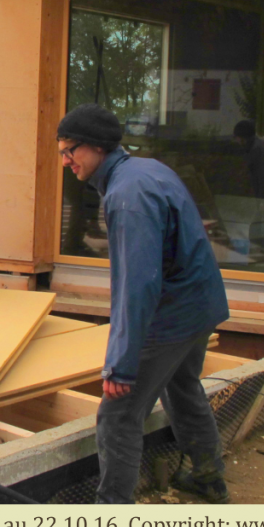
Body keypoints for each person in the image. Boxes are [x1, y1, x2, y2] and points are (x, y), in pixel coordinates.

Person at [57, 103, 230, 505]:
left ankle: (113, 511)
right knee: (183, 386)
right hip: (200, 305)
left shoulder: (126, 196)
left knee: (118, 414)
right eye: (62, 152)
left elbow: (137, 287)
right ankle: (208, 478)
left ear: (98, 147)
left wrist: (121, 365)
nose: (66, 161)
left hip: (173, 313)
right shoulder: (147, 169)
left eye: (71, 151)